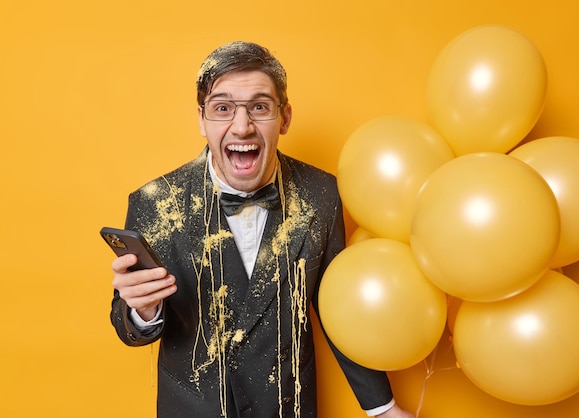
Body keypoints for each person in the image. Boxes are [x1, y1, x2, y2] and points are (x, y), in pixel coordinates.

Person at [110, 41, 413, 418]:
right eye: (223, 108)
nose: (242, 126)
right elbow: (130, 330)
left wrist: (382, 407)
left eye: (259, 107)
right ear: (202, 120)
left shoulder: (322, 195)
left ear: (284, 118)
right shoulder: (156, 201)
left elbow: (340, 308)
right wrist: (144, 310)